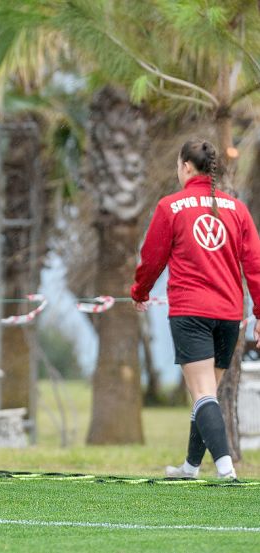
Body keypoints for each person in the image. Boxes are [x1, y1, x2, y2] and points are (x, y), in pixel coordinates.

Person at [132, 139, 260, 481]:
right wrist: (259, 314)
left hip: (191, 313)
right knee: (208, 395)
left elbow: (152, 258)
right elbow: (255, 265)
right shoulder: (237, 209)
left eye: (178, 165)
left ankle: (225, 469)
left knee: (203, 393)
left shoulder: (171, 206)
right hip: (230, 314)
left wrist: (139, 291)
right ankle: (190, 467)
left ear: (186, 167)